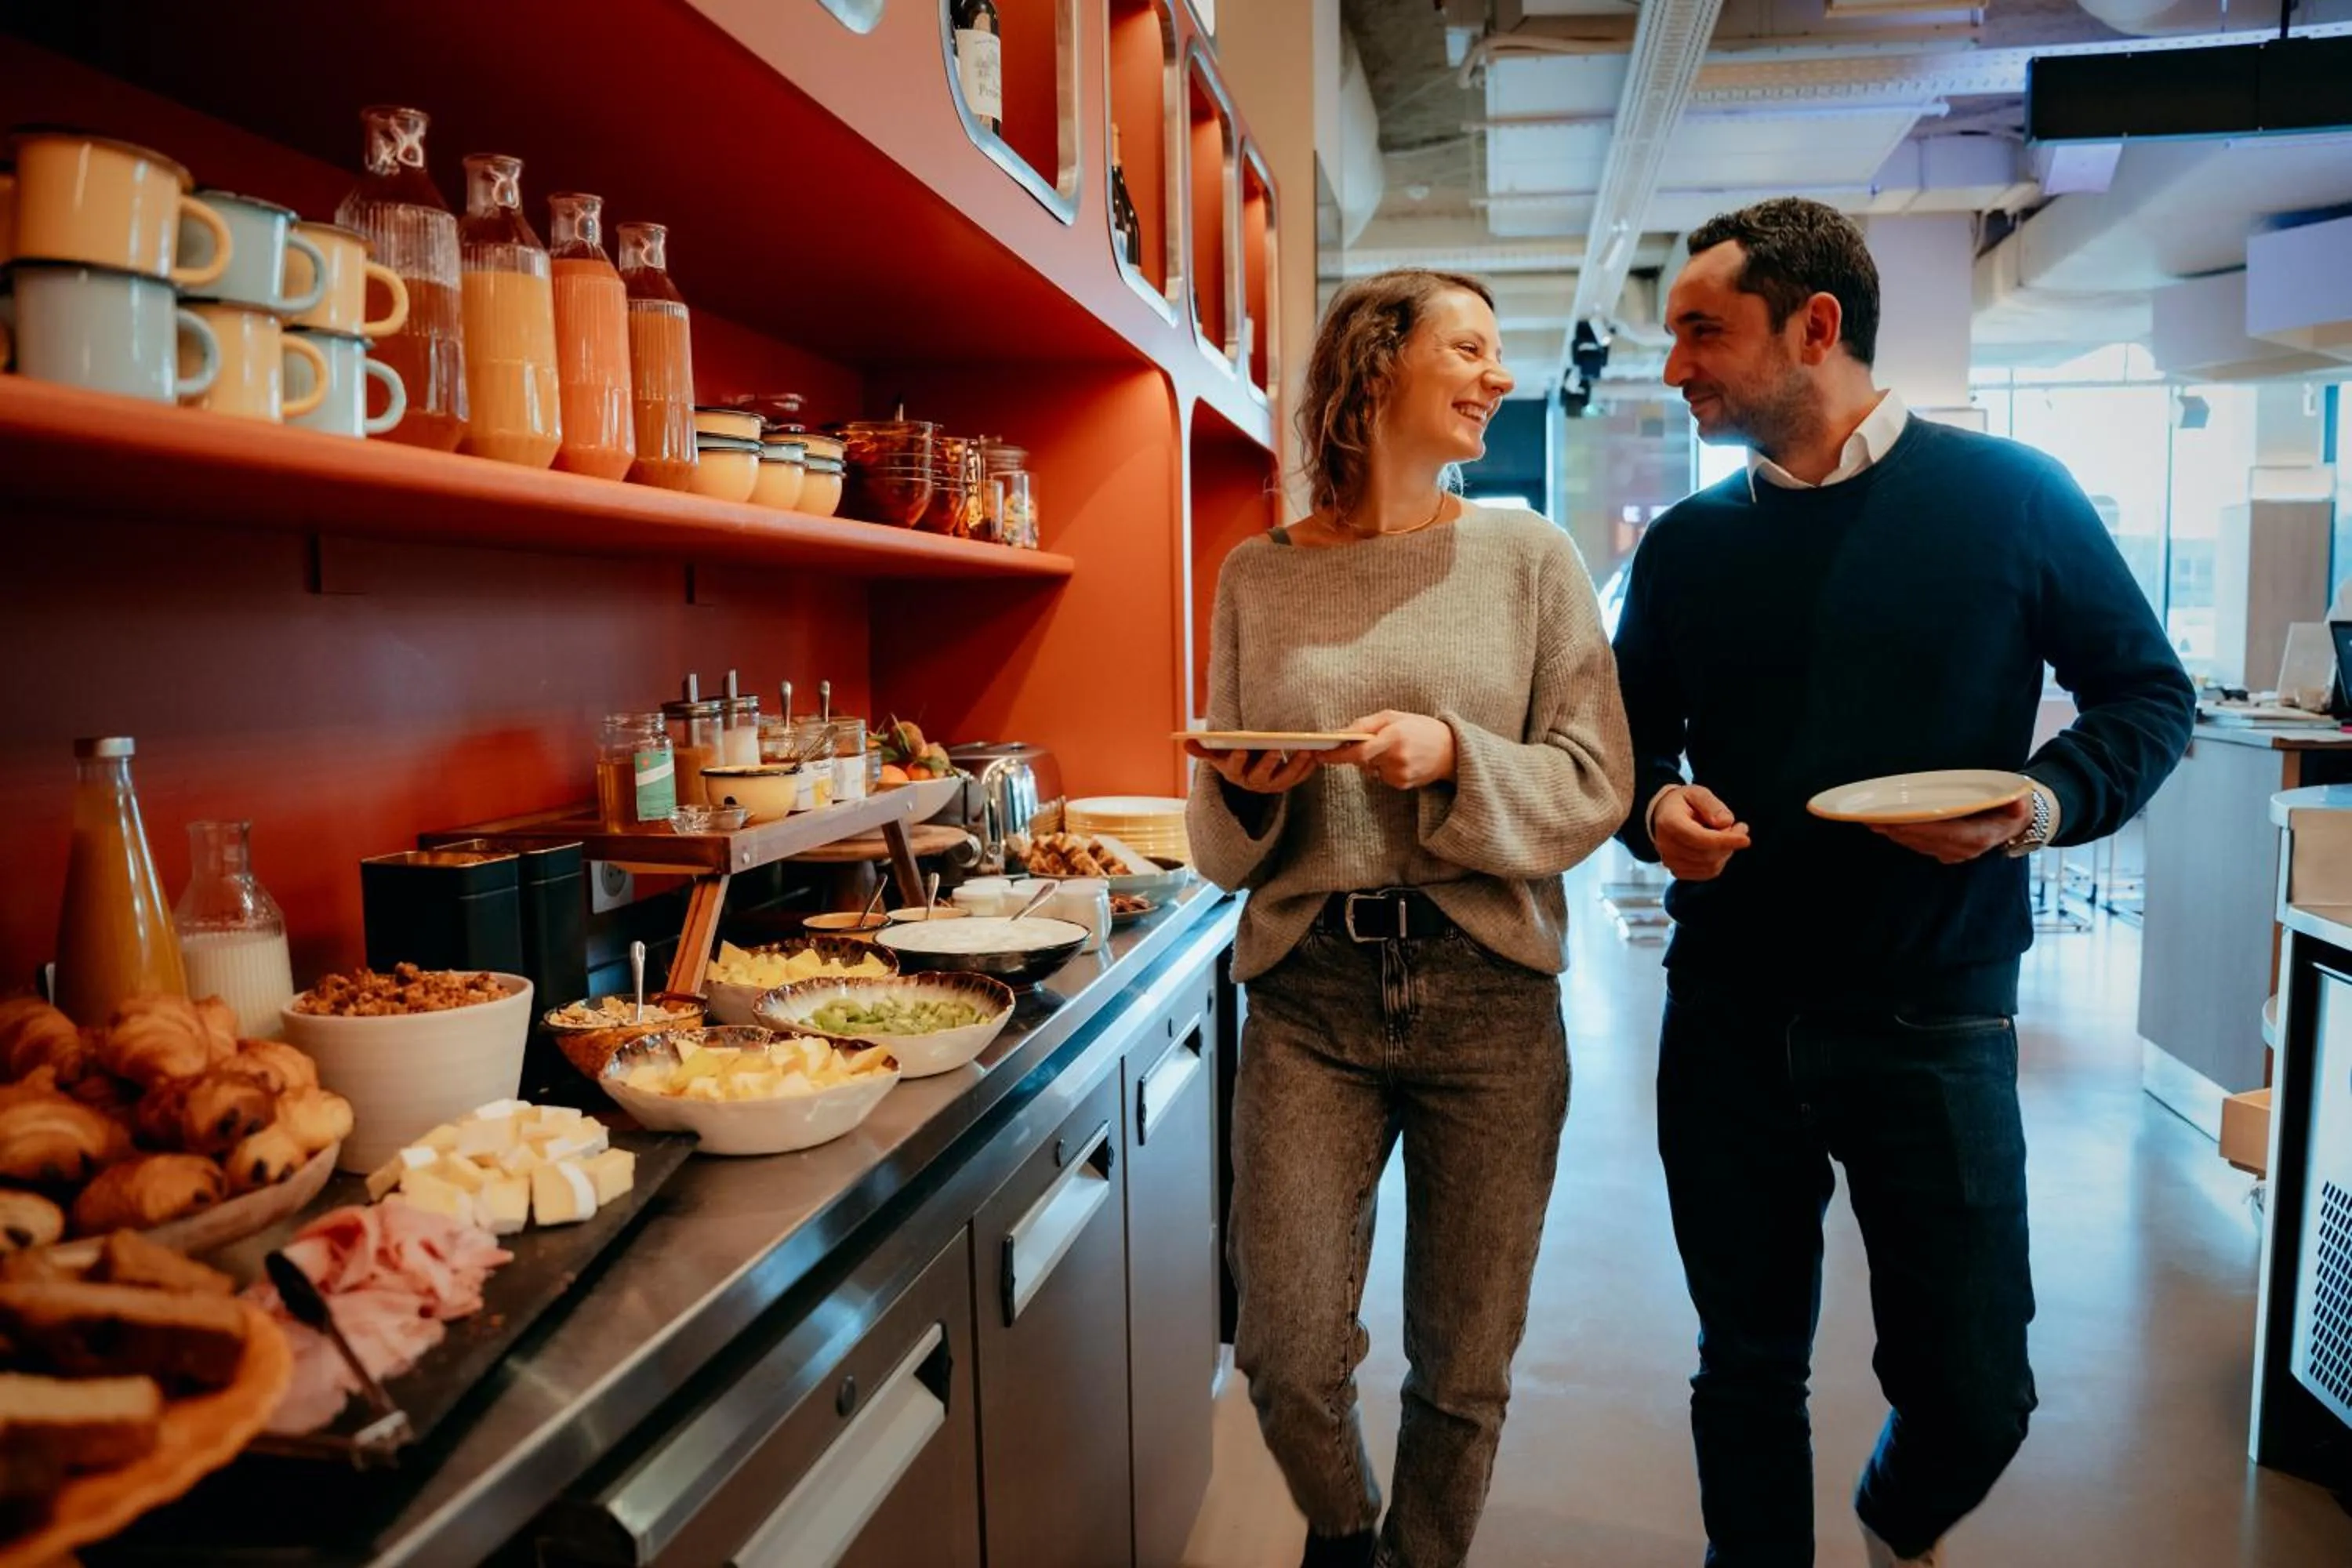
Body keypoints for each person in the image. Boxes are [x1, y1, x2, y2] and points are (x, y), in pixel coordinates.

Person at [1613, 198, 2196, 1568]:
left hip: (1934, 1007)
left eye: (1703, 330)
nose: (1676, 367)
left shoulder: (2015, 497)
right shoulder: (1688, 548)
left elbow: (2146, 697)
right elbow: (1628, 743)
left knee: (1977, 1387)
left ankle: (1893, 1518)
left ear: (1816, 328)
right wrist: (1653, 809)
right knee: (1744, 1365)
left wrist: (2039, 805)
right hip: (1732, 1013)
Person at [1187, 268, 1632, 1568]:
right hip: (1308, 994)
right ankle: (1345, 1532)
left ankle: (1419, 1557)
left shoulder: (1529, 556)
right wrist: (1247, 789)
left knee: (1466, 1361)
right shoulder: (1256, 577)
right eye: (1472, 350)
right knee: (1282, 1352)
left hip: (1489, 995)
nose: (1500, 378)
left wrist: (1455, 755)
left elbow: (1598, 783)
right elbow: (1223, 840)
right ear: (1378, 366)